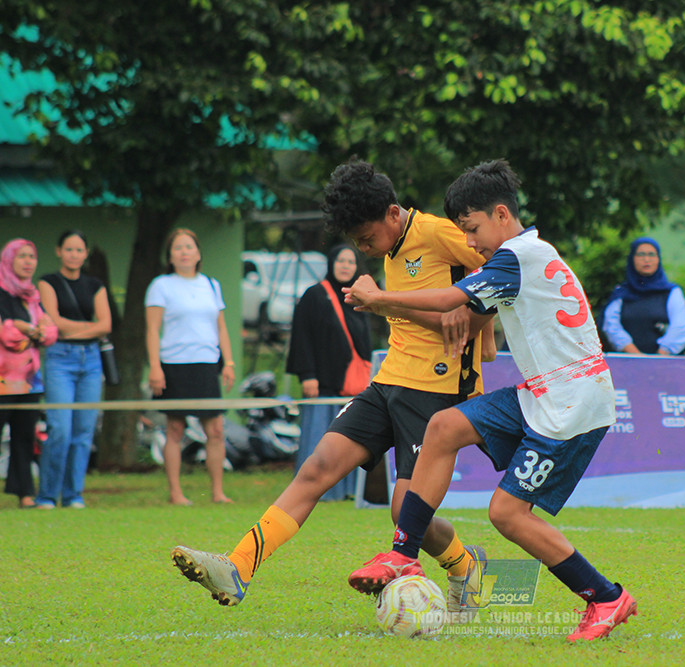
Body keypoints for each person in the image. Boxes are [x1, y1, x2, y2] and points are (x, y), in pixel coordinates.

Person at [169, 159, 495, 618]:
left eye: (366, 238)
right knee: (316, 467)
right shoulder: (392, 249)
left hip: (438, 392)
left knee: (405, 512)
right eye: (357, 242)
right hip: (387, 383)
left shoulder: (441, 234)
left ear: (393, 213)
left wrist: (477, 325)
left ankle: (464, 564)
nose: (363, 249)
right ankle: (237, 566)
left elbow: (500, 281)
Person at [346, 159, 637, 642]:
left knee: (506, 514)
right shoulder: (525, 255)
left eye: (473, 229)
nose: (471, 243)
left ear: (502, 214)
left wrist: (380, 299)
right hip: (544, 391)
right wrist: (476, 330)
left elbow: (446, 301)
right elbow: (471, 314)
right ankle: (402, 553)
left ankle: (605, 597)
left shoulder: (516, 257)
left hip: (572, 402)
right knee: (444, 427)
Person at [145, 228, 236, 506]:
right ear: (170, 256)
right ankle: (175, 493)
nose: (184, 252)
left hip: (207, 364)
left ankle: (218, 492)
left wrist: (228, 362)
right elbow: (152, 329)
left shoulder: (211, 284)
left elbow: (221, 327)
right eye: (178, 248)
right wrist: (155, 367)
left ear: (198, 253)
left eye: (189, 247)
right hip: (174, 365)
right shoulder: (161, 285)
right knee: (175, 429)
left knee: (216, 430)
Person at [286, 243, 372, 501]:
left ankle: (347, 491)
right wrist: (307, 375)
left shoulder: (358, 297)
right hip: (322, 383)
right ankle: (316, 490)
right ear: (331, 263)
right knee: (319, 437)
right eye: (341, 261)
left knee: (349, 441)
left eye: (351, 261)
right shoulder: (314, 296)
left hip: (353, 385)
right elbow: (301, 337)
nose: (346, 266)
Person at [34, 230, 113, 510]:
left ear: (86, 254)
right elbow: (54, 321)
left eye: (79, 250)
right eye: (69, 249)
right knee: (60, 429)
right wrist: (88, 329)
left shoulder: (95, 285)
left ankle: (73, 495)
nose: (74, 255)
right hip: (60, 358)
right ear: (58, 251)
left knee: (83, 432)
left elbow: (106, 325)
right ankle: (46, 496)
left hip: (91, 360)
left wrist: (74, 328)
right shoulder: (48, 281)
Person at [0, 239, 58, 508]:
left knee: (24, 437)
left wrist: (30, 329)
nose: (27, 261)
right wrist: (24, 328)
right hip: (2, 380)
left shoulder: (33, 296)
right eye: (21, 256)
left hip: (29, 381)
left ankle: (24, 493)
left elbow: (50, 332)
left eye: (31, 256)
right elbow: (7, 335)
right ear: (9, 259)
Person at [602, 237, 685, 355]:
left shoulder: (671, 292)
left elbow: (681, 327)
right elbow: (611, 326)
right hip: (627, 364)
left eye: (651, 255)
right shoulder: (621, 292)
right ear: (632, 259)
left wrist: (659, 357)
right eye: (641, 254)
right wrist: (637, 356)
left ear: (658, 259)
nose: (646, 259)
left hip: (665, 365)